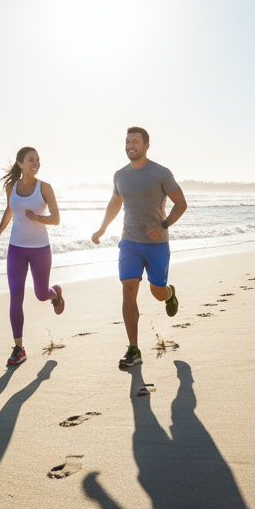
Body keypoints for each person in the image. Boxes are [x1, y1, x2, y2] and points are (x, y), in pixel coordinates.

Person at [91, 127, 188, 369]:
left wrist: (164, 225)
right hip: (129, 243)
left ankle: (169, 293)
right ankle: (134, 349)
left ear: (146, 146)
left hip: (156, 245)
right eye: (127, 142)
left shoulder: (161, 173)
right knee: (128, 288)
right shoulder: (120, 175)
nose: (129, 145)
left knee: (157, 293)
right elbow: (115, 202)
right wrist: (102, 229)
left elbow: (181, 203)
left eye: (135, 141)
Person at [0, 146, 64, 367]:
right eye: (31, 160)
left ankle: (55, 294)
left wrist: (38, 218)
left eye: (38, 160)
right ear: (20, 164)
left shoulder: (45, 188)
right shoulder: (11, 187)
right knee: (16, 297)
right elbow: (9, 210)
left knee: (41, 295)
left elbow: (57, 218)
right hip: (16, 249)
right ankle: (19, 349)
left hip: (40, 248)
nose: (36, 163)